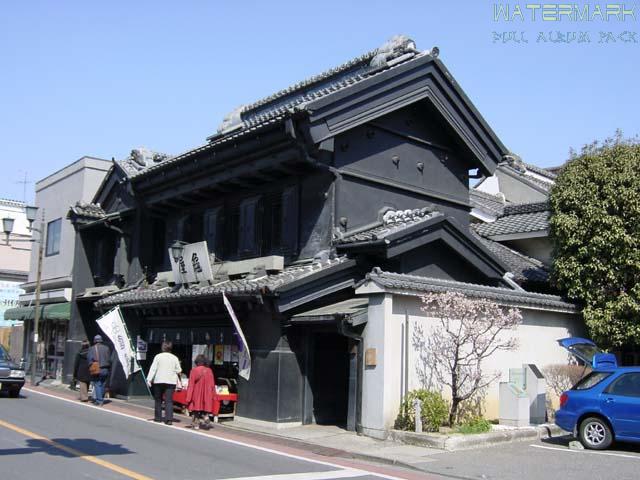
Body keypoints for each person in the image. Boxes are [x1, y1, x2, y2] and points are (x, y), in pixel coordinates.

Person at [147, 341, 182, 425]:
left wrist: (149, 379)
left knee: (158, 399)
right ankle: (169, 419)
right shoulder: (175, 358)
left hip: (159, 380)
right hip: (170, 381)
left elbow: (153, 368)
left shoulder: (158, 357)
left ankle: (158, 418)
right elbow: (179, 370)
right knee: (169, 400)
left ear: (162, 347)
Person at [186, 354, 215, 429]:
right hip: (207, 393)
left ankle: (196, 425)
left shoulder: (194, 370)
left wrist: (188, 397)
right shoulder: (209, 370)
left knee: (196, 409)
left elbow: (191, 385)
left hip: (197, 393)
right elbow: (212, 384)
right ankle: (205, 417)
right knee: (204, 407)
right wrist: (213, 394)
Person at [87, 335, 111, 406]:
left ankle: (99, 401)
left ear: (95, 341)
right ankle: (101, 398)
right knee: (103, 384)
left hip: (97, 369)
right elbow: (109, 359)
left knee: (97, 384)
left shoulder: (92, 349)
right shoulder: (106, 348)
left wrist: (91, 365)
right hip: (105, 368)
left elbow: (89, 359)